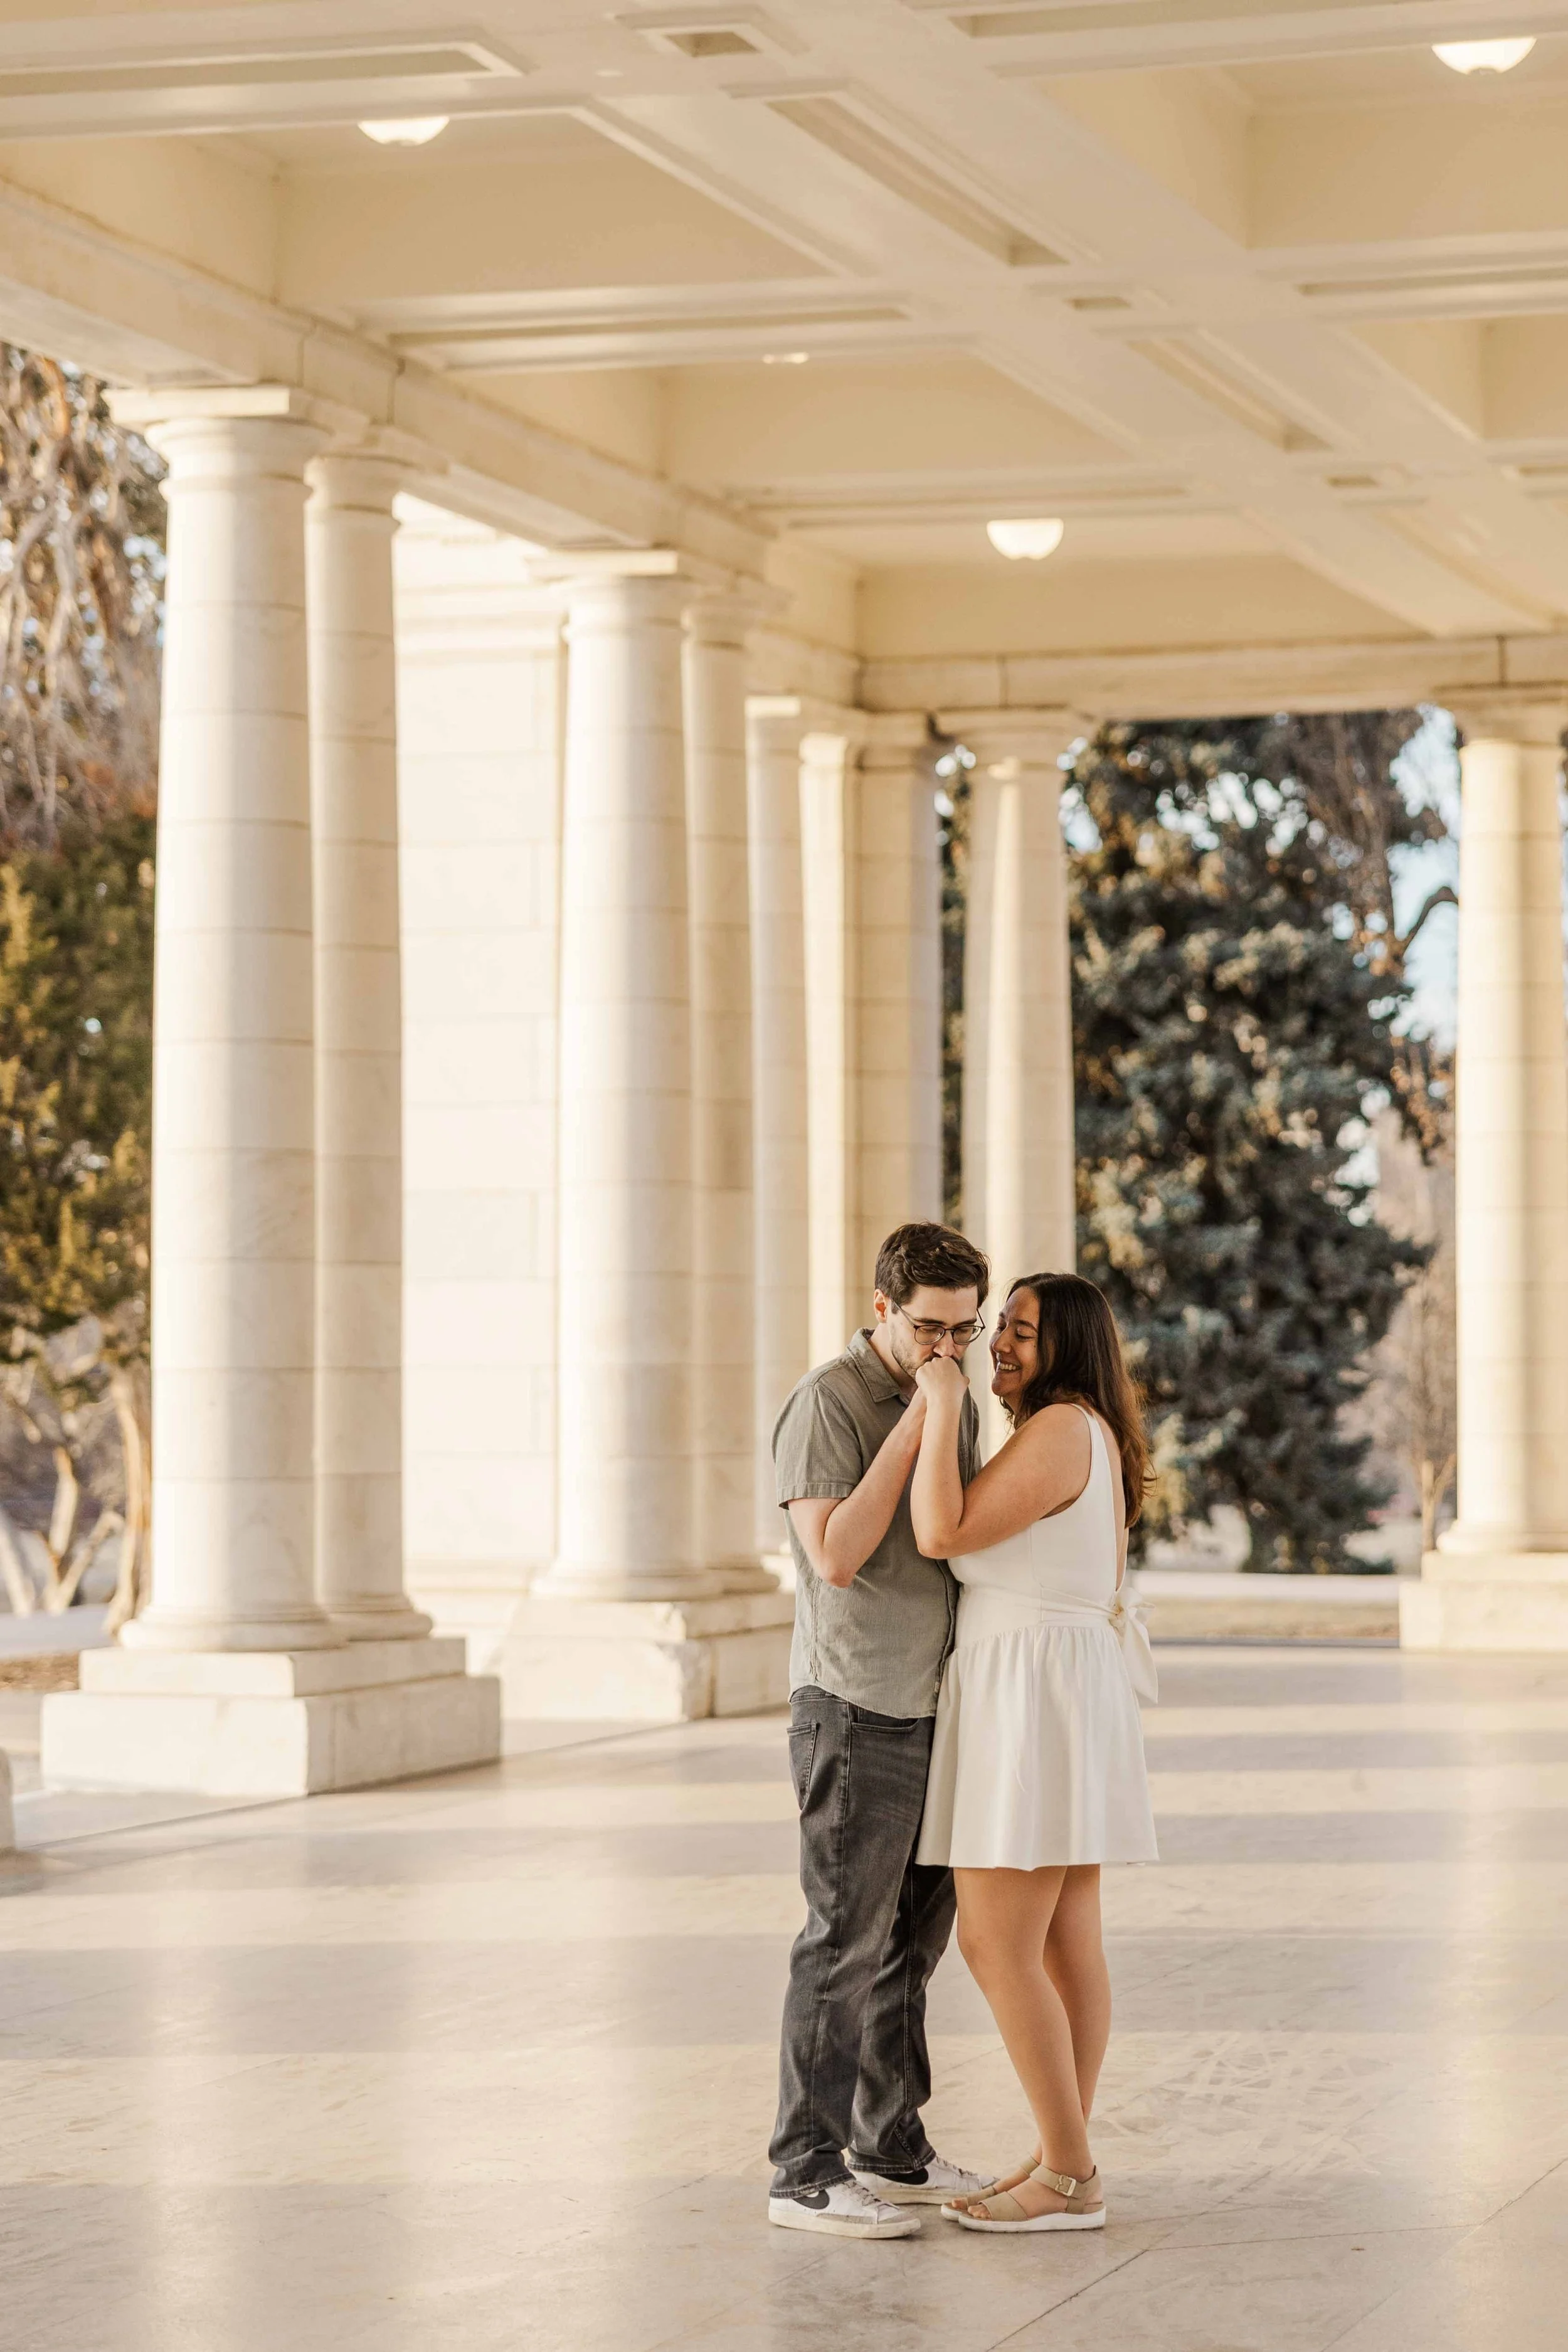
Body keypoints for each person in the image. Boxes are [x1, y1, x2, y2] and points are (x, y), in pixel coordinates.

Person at [909, 1271, 1158, 2235]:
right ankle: (1066, 2155)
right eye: (998, 1328)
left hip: (1034, 1694)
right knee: (1064, 1943)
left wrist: (941, 1403)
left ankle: (1067, 2171)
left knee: (994, 1940)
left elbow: (942, 1530)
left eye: (1019, 1331)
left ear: (1071, 1347)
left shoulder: (1059, 1429)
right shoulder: (1081, 1429)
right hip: (1056, 1686)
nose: (997, 1345)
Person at [766, 1221, 999, 2240]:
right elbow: (837, 1554)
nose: (950, 1349)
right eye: (930, 1329)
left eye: (967, 1330)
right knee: (843, 1942)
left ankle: (889, 2146)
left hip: (941, 1706)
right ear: (883, 1310)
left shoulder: (958, 1395)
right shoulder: (830, 1400)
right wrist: (922, 1421)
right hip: (856, 1706)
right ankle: (804, 2169)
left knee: (912, 1941)